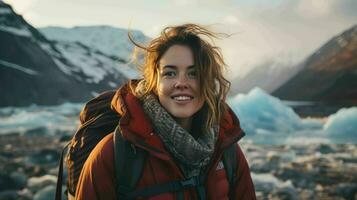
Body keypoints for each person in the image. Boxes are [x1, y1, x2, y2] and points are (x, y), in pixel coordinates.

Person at [75, 23, 256, 199]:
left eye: (194, 74)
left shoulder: (226, 151)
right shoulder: (114, 154)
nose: (181, 83)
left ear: (207, 81)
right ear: (155, 82)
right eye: (170, 73)